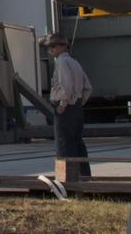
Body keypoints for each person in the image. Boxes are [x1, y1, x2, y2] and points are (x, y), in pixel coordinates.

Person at [44, 32, 92, 178]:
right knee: (77, 142)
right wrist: (79, 102)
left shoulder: (61, 62)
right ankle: (84, 175)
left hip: (65, 107)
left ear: (63, 46)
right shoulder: (75, 62)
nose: (50, 50)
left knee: (64, 143)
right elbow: (88, 87)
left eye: (53, 46)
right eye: (49, 47)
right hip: (76, 106)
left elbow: (67, 85)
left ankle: (68, 179)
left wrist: (63, 104)